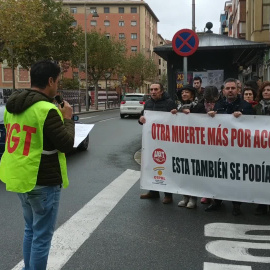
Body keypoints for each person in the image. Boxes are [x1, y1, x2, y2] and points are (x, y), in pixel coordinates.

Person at [0, 60, 75, 270]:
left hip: (20, 176)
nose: (58, 86)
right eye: (58, 81)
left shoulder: (11, 107)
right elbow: (66, 144)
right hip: (42, 180)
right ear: (50, 81)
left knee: (30, 230)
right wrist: (67, 119)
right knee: (42, 236)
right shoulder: (46, 109)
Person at [205, 78, 253, 216]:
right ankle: (217, 202)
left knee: (235, 177)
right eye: (228, 88)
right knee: (219, 175)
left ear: (238, 90)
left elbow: (252, 124)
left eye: (233, 88)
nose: (230, 91)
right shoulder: (219, 105)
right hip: (221, 148)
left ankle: (236, 205)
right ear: (223, 91)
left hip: (238, 149)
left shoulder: (246, 105)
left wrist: (243, 117)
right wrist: (211, 116)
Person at [139, 82, 177, 204]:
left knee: (165, 166)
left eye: (156, 89)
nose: (153, 92)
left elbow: (177, 119)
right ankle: (153, 192)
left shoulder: (169, 102)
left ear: (161, 91)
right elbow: (142, 117)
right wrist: (140, 119)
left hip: (165, 140)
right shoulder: (148, 103)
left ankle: (168, 194)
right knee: (150, 165)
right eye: (151, 89)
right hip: (151, 141)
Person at [171, 85, 206, 209]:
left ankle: (193, 198)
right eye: (182, 93)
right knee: (183, 171)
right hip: (182, 144)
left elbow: (203, 122)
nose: (184, 94)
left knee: (193, 171)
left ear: (192, 95)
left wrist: (191, 115)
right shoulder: (178, 107)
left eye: (187, 92)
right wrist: (175, 114)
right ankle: (185, 196)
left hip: (195, 144)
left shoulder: (199, 107)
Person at [200, 85, 220, 204]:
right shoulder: (200, 104)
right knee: (205, 168)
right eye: (208, 101)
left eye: (213, 101)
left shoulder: (222, 103)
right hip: (204, 141)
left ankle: (217, 195)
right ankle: (206, 194)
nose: (210, 104)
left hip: (218, 141)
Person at [253, 81, 270, 215]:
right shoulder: (257, 107)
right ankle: (262, 204)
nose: (266, 92)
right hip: (260, 146)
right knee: (262, 175)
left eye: (269, 90)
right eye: (264, 90)